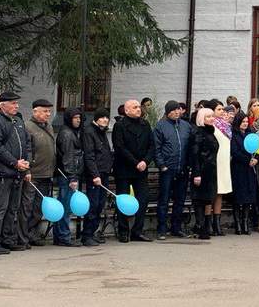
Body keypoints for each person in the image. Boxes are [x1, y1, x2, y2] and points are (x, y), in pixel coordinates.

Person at [0, 92, 31, 255]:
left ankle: (7, 239)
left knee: (13, 208)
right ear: (2, 105)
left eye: (17, 103)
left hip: (18, 172)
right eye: (13, 103)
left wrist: (26, 165)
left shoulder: (18, 121)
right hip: (4, 172)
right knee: (1, 209)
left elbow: (26, 143)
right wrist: (14, 162)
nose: (16, 106)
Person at [112, 99, 154, 242]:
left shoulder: (145, 125)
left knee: (143, 199)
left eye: (138, 107)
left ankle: (137, 231)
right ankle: (123, 231)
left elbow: (151, 146)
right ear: (126, 110)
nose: (138, 109)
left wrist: (145, 161)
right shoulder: (120, 126)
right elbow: (119, 147)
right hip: (124, 169)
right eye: (134, 107)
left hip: (141, 170)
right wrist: (136, 162)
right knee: (123, 200)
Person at [19, 99, 56, 247]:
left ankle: (32, 234)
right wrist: (27, 169)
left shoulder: (49, 127)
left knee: (38, 208)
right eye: (44, 111)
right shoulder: (28, 127)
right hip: (33, 174)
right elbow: (25, 150)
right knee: (26, 207)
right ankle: (22, 238)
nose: (48, 114)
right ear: (35, 112)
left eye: (49, 111)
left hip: (46, 174)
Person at [154, 100, 193, 239]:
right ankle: (162, 228)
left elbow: (190, 146)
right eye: (174, 110)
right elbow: (156, 148)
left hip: (182, 168)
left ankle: (177, 227)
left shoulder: (186, 126)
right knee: (164, 200)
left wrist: (189, 163)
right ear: (168, 112)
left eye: (178, 110)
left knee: (179, 200)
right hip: (167, 168)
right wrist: (161, 165)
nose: (177, 112)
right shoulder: (161, 126)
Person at [81, 108, 113, 246]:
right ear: (96, 118)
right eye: (102, 117)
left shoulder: (102, 132)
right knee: (93, 205)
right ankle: (87, 235)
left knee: (99, 205)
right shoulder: (89, 132)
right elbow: (89, 155)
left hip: (104, 173)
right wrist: (95, 174)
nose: (105, 120)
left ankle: (93, 233)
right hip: (96, 175)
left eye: (106, 117)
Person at [54, 107, 83, 247]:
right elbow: (67, 157)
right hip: (67, 176)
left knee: (64, 206)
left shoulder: (72, 132)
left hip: (68, 174)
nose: (78, 120)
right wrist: (72, 177)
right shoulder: (67, 134)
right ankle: (63, 236)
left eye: (79, 117)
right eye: (75, 118)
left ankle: (60, 235)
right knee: (65, 207)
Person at [190, 107, 218, 240]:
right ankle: (200, 226)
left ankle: (199, 226)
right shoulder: (198, 133)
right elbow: (195, 154)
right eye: (208, 117)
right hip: (201, 170)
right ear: (202, 118)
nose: (212, 119)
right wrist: (196, 173)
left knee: (206, 198)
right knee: (199, 199)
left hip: (210, 170)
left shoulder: (210, 132)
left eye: (213, 116)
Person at [229, 111, 258, 235]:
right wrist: (247, 160)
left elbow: (258, 148)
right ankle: (238, 225)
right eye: (243, 122)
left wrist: (256, 159)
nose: (245, 124)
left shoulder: (251, 134)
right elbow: (234, 152)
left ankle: (245, 223)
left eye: (247, 122)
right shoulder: (234, 135)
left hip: (249, 170)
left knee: (248, 197)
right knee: (238, 198)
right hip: (238, 168)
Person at [208, 99, 232, 236]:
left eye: (223, 109)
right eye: (219, 109)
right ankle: (208, 223)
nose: (222, 112)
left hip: (224, 162)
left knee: (220, 192)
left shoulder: (226, 125)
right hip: (214, 161)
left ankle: (217, 223)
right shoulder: (211, 125)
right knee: (210, 193)